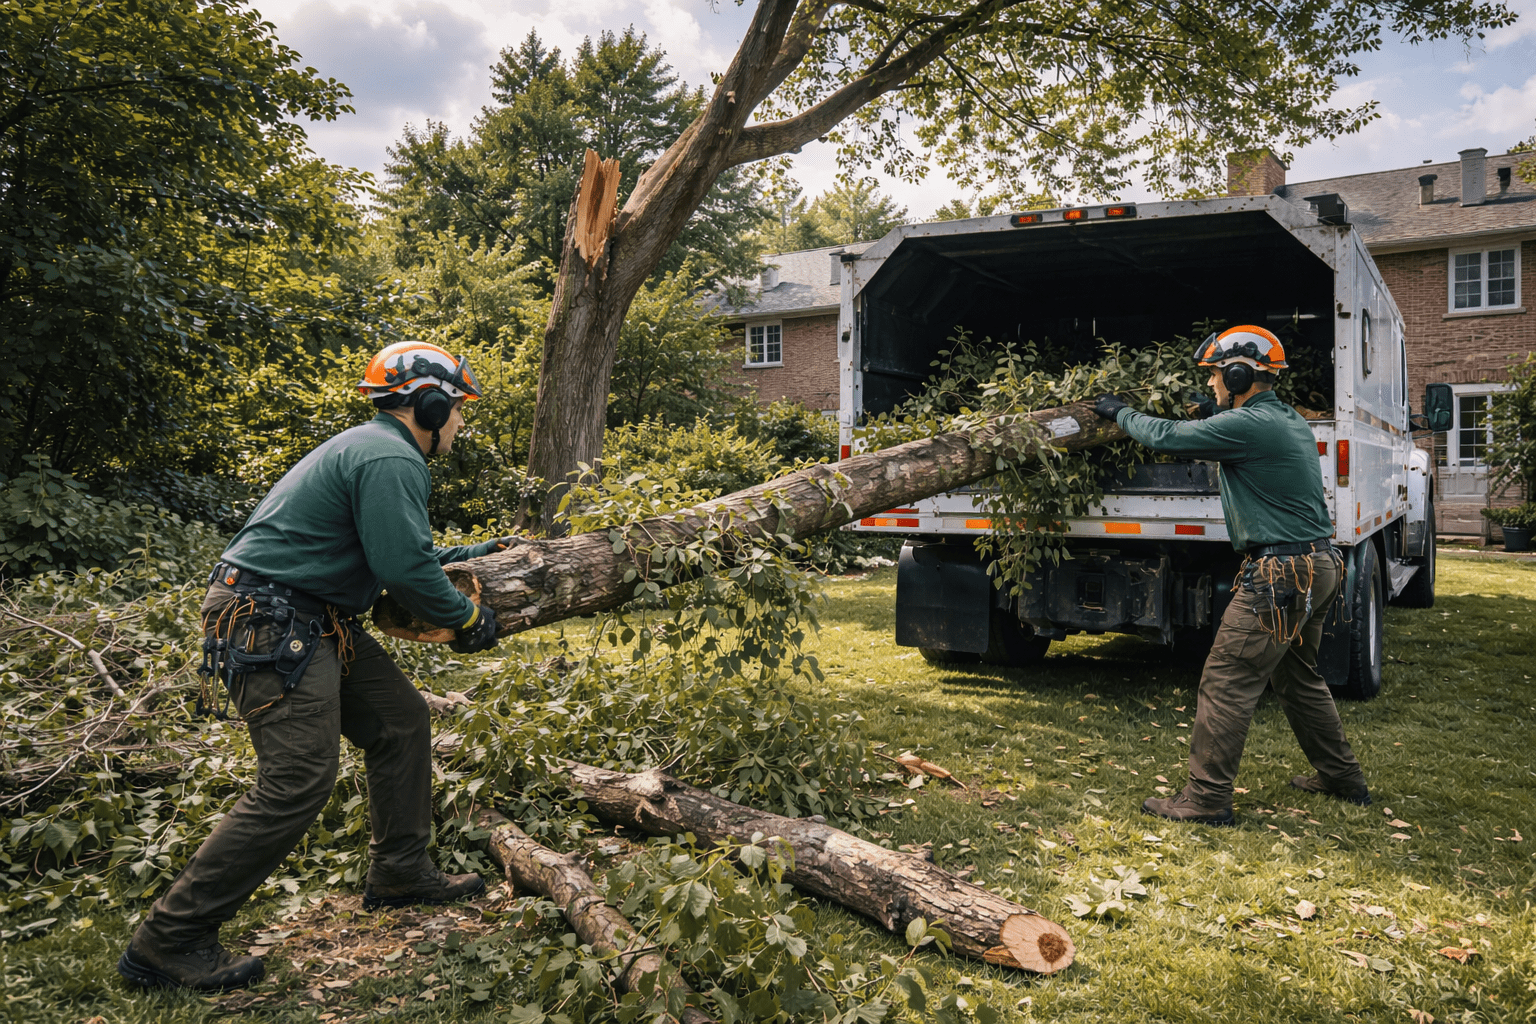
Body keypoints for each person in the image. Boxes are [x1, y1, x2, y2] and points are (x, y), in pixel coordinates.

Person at [118, 342, 512, 991]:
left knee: (400, 719)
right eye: (458, 411)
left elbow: (399, 547)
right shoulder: (391, 455)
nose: (461, 424)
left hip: (312, 616)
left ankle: (400, 871)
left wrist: (474, 551)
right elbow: (404, 571)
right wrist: (468, 619)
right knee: (297, 778)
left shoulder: (372, 448)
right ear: (430, 404)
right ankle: (170, 939)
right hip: (272, 619)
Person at [1092, 325, 1371, 828]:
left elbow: (1169, 437)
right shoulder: (1282, 418)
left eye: (1218, 375)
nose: (1215, 384)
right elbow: (1234, 430)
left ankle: (1206, 798)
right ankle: (1341, 777)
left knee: (1226, 680)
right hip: (1318, 566)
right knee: (1299, 677)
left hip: (1282, 574)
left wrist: (1121, 413)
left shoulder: (1249, 426)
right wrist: (1213, 411)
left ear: (1240, 373)